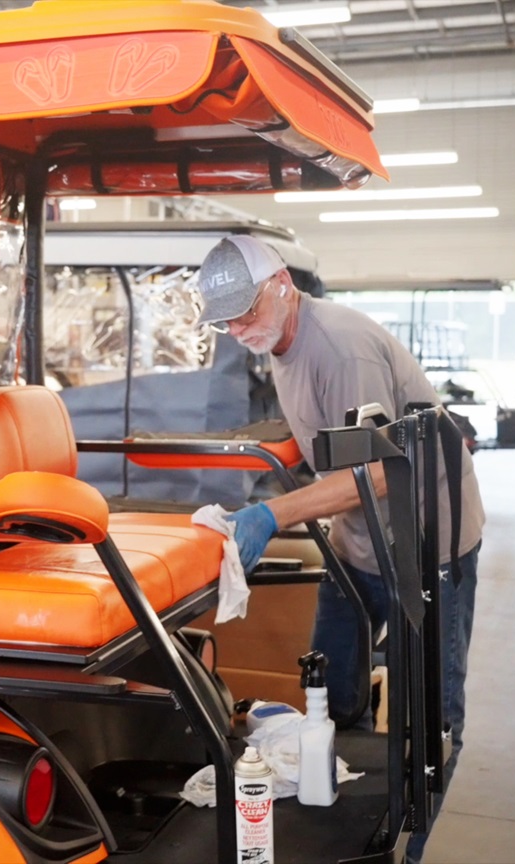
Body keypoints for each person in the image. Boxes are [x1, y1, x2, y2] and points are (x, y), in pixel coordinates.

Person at [195, 235, 486, 864]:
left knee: (434, 717)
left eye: (245, 311)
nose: (238, 329)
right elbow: (329, 437)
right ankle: (343, 819)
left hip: (425, 541)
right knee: (332, 687)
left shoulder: (340, 347)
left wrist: (272, 512)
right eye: (225, 321)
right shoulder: (276, 338)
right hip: (362, 540)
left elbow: (379, 470)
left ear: (281, 285)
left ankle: (406, 849)